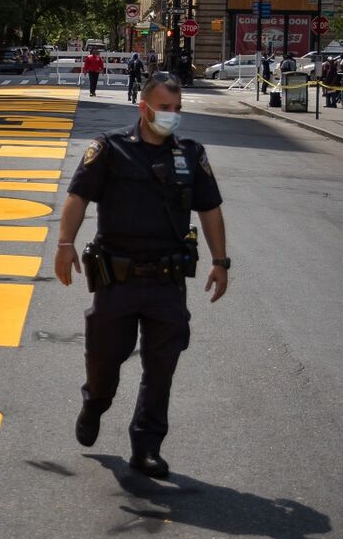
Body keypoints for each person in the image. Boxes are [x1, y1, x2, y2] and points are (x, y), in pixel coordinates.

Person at [54, 72, 229, 477]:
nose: (172, 116)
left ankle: (146, 446)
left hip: (166, 281)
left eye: (177, 109)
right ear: (144, 107)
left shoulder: (190, 154)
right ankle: (95, 402)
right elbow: (78, 196)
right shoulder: (111, 148)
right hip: (117, 278)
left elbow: (210, 209)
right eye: (165, 108)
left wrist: (221, 262)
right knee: (104, 358)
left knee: (161, 366)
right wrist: (65, 245)